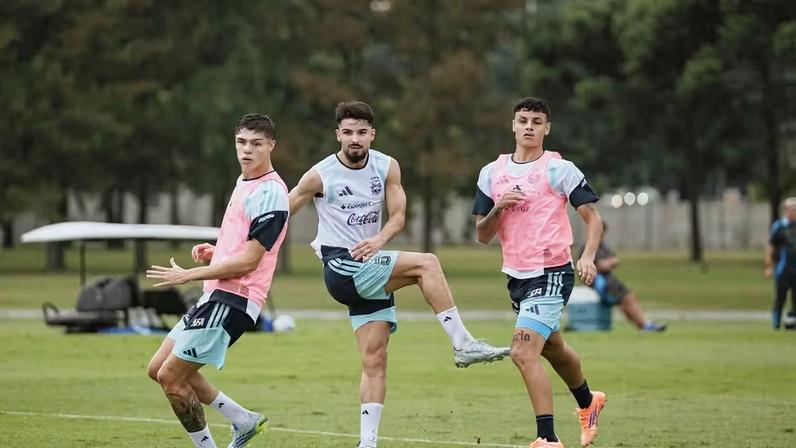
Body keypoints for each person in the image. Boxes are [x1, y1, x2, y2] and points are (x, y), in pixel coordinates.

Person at [288, 101, 510, 448]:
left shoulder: (387, 167)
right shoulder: (319, 175)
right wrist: (229, 247)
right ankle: (463, 343)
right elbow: (278, 214)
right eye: (348, 132)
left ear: (372, 134)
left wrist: (379, 239)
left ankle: (367, 443)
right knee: (428, 264)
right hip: (342, 268)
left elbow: (398, 216)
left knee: (375, 360)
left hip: (369, 266)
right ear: (337, 135)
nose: (355, 139)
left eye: (362, 132)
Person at [145, 113, 289, 448]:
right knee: (157, 369)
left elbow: (250, 261)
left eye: (256, 144)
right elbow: (245, 246)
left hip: (235, 300)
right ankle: (244, 419)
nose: (247, 150)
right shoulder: (245, 183)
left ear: (271, 145)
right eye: (241, 142)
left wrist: (188, 275)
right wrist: (217, 251)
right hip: (217, 295)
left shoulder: (270, 193)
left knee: (171, 376)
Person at [472, 97, 606, 448]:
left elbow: (593, 218)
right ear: (513, 125)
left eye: (536, 121)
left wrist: (588, 256)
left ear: (547, 128)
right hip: (517, 276)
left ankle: (547, 438)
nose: (529, 126)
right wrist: (499, 207)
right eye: (523, 120)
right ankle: (589, 402)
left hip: (551, 272)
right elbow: (482, 235)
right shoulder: (492, 172)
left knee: (522, 351)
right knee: (552, 348)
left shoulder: (559, 169)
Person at [581, 223, 667, 332]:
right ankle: (645, 324)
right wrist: (608, 263)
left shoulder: (603, 246)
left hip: (609, 280)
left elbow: (615, 260)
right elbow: (599, 266)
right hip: (599, 281)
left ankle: (644, 324)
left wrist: (608, 263)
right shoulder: (588, 247)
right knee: (625, 299)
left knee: (628, 298)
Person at [765, 197, 796, 330]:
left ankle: (792, 323)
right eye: (791, 209)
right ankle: (776, 324)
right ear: (786, 210)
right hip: (783, 268)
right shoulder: (779, 226)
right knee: (780, 297)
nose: (793, 212)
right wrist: (769, 266)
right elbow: (771, 246)